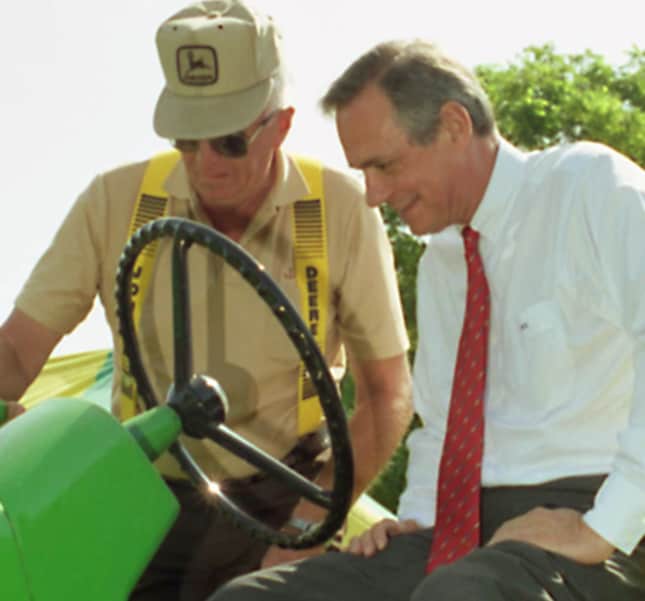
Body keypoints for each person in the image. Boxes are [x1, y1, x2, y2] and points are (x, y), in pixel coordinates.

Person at [0, 5, 413, 600]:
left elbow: (387, 396)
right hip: (140, 493)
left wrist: (302, 530)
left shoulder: (341, 211)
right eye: (186, 141)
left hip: (285, 493)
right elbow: (16, 353)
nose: (206, 164)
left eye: (228, 141)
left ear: (281, 124)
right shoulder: (115, 200)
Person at [208, 39, 645, 601]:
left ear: (454, 126)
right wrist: (416, 518)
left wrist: (603, 528)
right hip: (466, 532)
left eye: (384, 165)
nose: (372, 194)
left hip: (607, 517)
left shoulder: (589, 186)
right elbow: (441, 422)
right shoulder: (445, 260)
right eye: (363, 171)